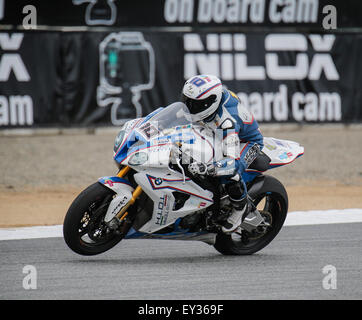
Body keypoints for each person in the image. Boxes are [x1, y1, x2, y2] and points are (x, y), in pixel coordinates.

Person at [181, 74, 264, 233]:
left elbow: (231, 164)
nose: (189, 106)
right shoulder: (211, 100)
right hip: (214, 132)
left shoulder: (227, 122)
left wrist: (208, 169)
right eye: (187, 100)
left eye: (194, 104)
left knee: (230, 174)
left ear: (209, 102)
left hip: (245, 141)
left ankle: (240, 208)